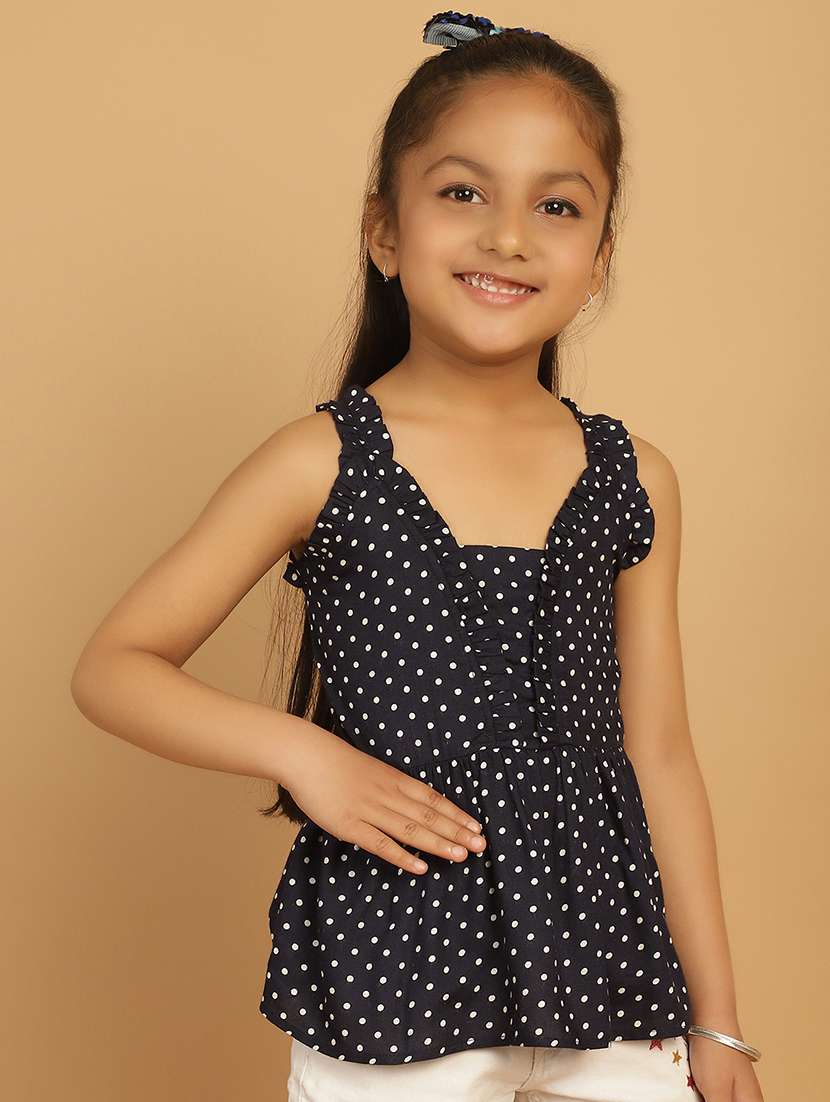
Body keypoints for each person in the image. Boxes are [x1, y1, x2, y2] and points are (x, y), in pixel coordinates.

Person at [70, 10, 765, 1102]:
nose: (508, 237)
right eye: (462, 193)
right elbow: (114, 667)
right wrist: (306, 756)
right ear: (383, 232)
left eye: (555, 205)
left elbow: (661, 755)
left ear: (598, 259)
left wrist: (717, 1022)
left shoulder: (633, 477)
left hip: (610, 974)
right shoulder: (319, 460)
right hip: (391, 975)